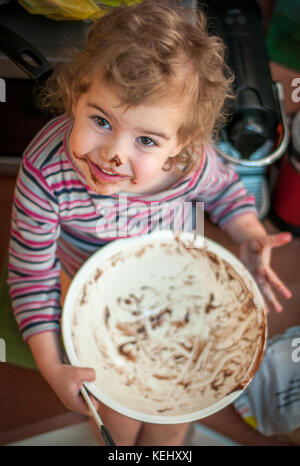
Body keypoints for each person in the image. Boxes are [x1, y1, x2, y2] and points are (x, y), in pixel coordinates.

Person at [7, 0, 292, 446]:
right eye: (101, 120)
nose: (114, 154)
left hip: (174, 291)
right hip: (92, 296)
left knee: (170, 424)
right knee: (117, 422)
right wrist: (51, 365)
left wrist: (248, 232)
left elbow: (226, 193)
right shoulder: (45, 171)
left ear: (182, 144)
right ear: (75, 96)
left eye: (145, 139)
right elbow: (31, 275)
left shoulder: (192, 164)